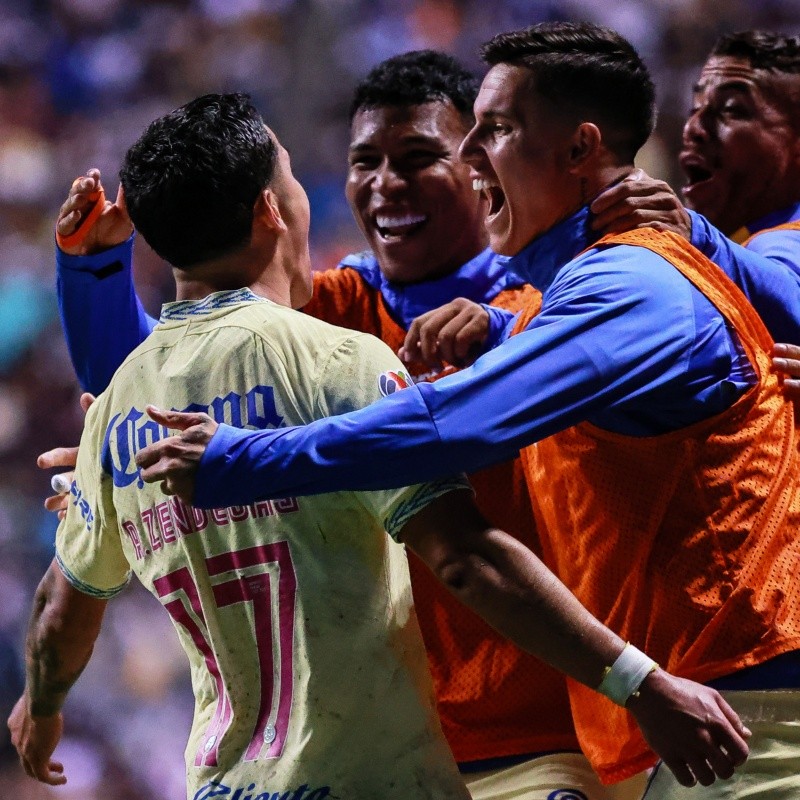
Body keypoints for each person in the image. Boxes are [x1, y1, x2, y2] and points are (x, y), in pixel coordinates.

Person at [9, 92, 750, 798]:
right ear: (273, 208)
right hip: (389, 779)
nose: (382, 185)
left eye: (418, 156)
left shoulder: (119, 414)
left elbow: (60, 606)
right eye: (354, 164)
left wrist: (42, 706)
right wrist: (639, 682)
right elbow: (465, 556)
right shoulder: (343, 354)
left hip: (248, 782)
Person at [589, 30, 800, 346]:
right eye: (695, 108)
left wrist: (696, 235)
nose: (692, 129)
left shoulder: (783, 240)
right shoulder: (738, 239)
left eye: (731, 109)